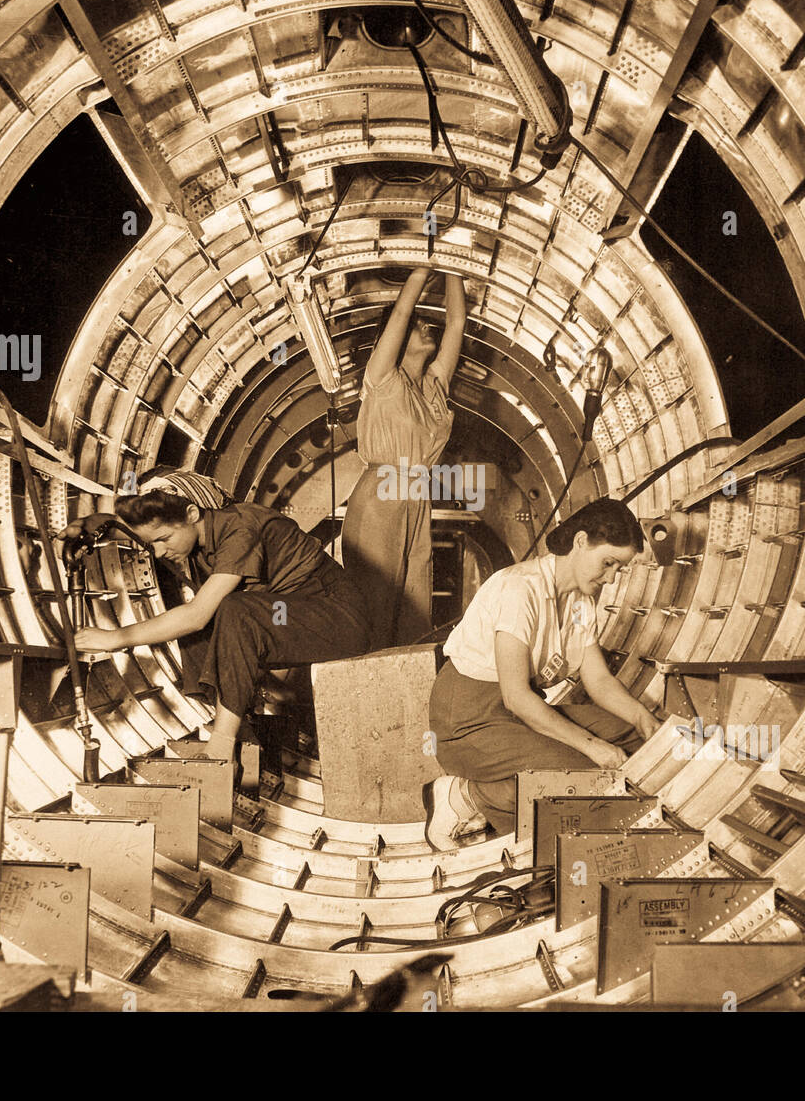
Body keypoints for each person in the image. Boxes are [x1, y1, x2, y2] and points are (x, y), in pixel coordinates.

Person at [66, 469, 370, 747]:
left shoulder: (240, 528)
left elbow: (196, 617)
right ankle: (252, 729)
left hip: (336, 619)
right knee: (214, 618)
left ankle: (224, 742)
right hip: (288, 613)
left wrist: (115, 638)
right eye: (151, 544)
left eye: (163, 540)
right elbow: (121, 527)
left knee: (233, 611)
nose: (158, 551)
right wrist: (86, 526)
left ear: (192, 513)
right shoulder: (197, 530)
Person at [422, 498, 660, 850]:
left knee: (633, 739)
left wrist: (644, 719)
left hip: (516, 713)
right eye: (608, 563)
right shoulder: (521, 589)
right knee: (587, 773)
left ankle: (496, 793)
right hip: (466, 719)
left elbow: (598, 681)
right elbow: (516, 697)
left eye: (618, 570)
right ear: (580, 542)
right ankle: (465, 797)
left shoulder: (580, 602)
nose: (610, 578)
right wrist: (594, 747)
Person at [341, 266, 465, 649]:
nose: (429, 328)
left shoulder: (433, 387)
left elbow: (457, 322)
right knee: (375, 608)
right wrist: (423, 268)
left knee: (416, 612)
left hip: (416, 496)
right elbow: (398, 314)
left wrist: (456, 267)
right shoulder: (382, 377)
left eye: (428, 324)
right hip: (381, 495)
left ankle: (407, 700)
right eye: (419, 325)